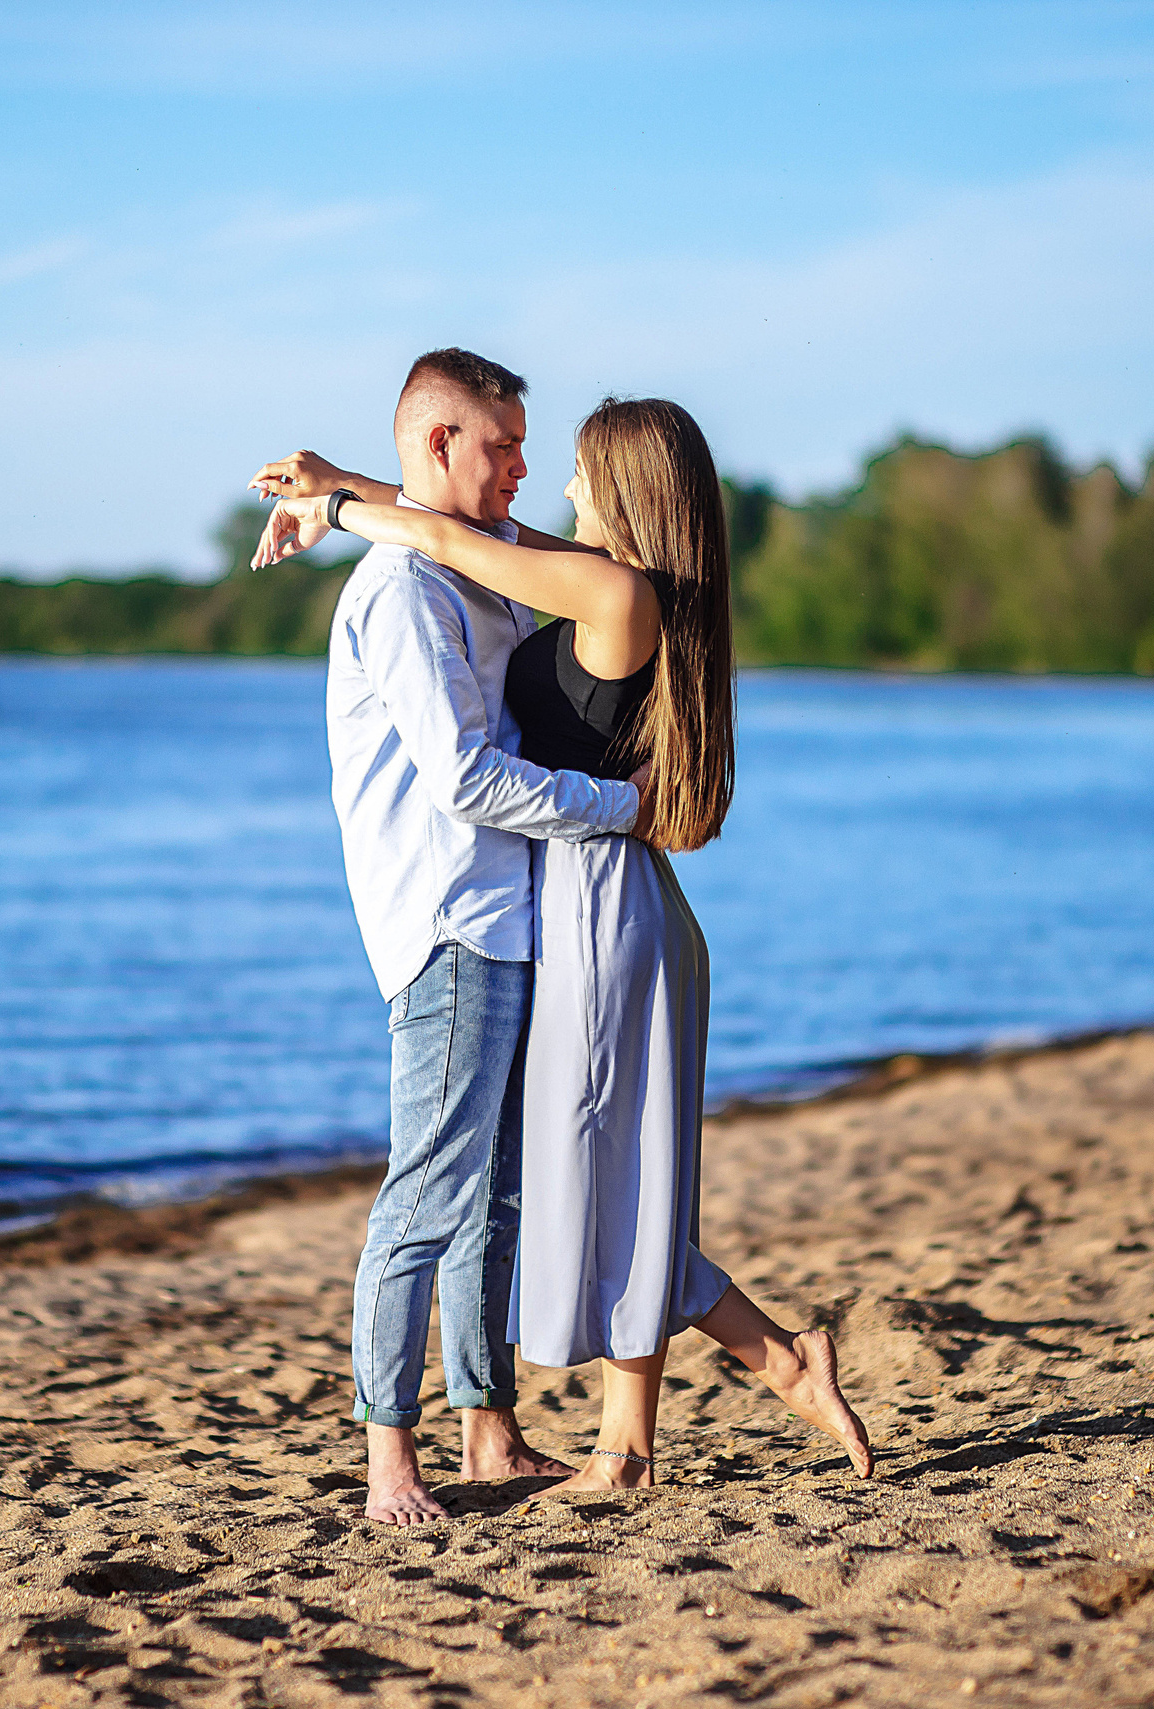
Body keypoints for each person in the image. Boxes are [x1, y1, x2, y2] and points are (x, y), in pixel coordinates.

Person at [253, 395, 874, 1494]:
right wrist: (339, 480)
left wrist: (340, 505)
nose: (560, 487)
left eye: (583, 472)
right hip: (590, 896)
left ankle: (753, 1378)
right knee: (604, 1185)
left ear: (630, 491)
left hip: (599, 901)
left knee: (602, 1189)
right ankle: (695, 1409)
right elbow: (463, 526)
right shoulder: (607, 574)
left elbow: (448, 538)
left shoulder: (614, 588)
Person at [275, 349, 652, 1526]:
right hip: (446, 924)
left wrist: (343, 486)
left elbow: (551, 561)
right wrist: (622, 808)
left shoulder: (469, 576)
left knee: (492, 1197)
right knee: (427, 1191)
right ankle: (390, 1457)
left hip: (506, 919)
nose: (522, 469)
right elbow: (468, 779)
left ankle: (486, 1429)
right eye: (502, 445)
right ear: (438, 445)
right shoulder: (399, 590)